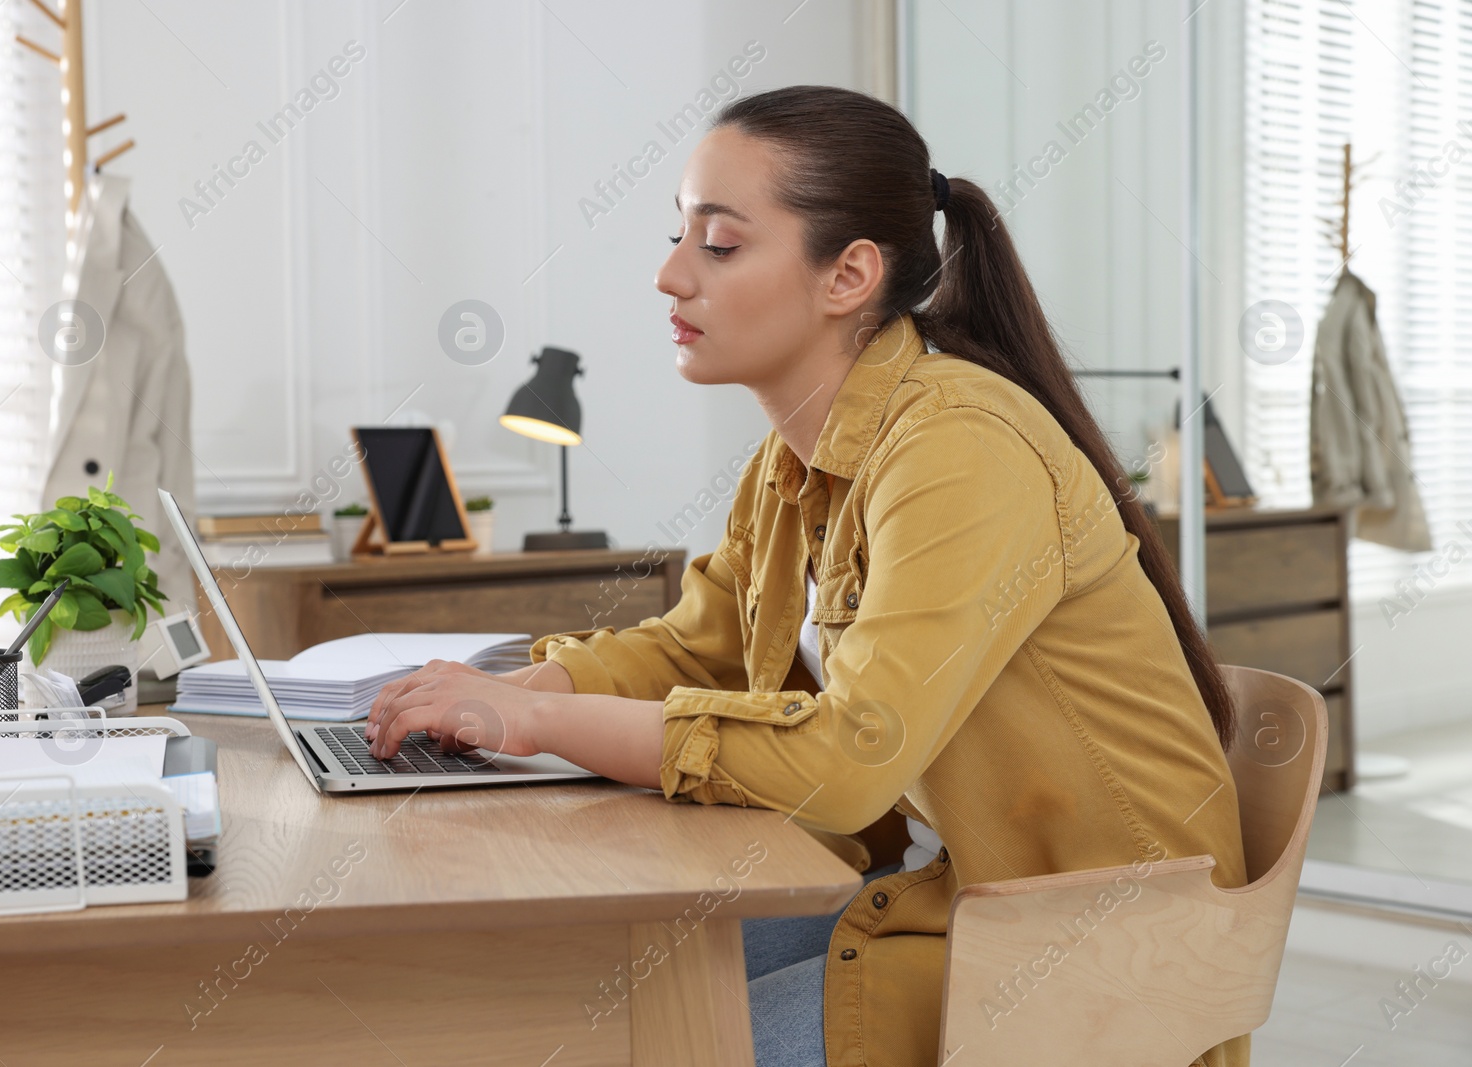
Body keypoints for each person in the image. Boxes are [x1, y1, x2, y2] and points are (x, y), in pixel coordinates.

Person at [366, 85, 1249, 1067]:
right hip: (966, 905)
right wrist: (512, 693)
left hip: (1101, 956)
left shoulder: (960, 446)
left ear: (848, 276)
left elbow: (849, 755)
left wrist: (533, 724)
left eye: (720, 243)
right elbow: (692, 642)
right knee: (583, 984)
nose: (668, 275)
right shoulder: (793, 458)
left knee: (642, 1033)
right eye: (677, 236)